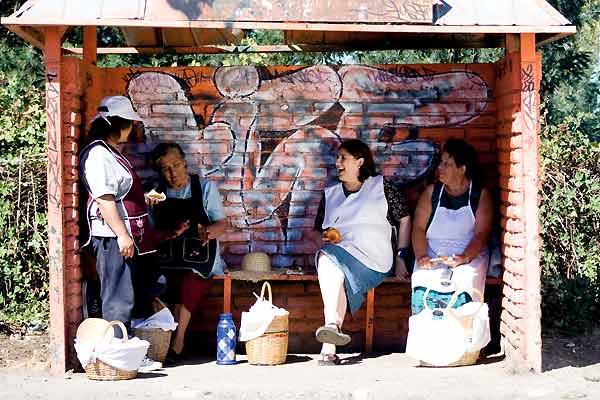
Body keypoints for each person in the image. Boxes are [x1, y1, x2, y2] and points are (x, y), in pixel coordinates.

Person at [78, 96, 185, 371]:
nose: (132, 130)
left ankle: (131, 351)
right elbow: (104, 199)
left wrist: (143, 198)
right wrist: (122, 235)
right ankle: (119, 357)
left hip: (132, 235)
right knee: (118, 298)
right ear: (120, 125)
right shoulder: (98, 154)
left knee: (142, 289)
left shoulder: (112, 151)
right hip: (113, 237)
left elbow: (120, 193)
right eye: (129, 124)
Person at [311, 139, 411, 365]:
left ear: (360, 162)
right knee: (328, 259)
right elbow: (316, 233)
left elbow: (404, 219)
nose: (337, 163)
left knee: (329, 262)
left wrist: (401, 255)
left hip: (375, 259)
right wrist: (327, 237)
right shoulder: (331, 195)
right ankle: (331, 335)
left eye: (343, 158)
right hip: (339, 255)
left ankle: (330, 335)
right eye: (337, 158)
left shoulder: (382, 186)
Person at [149, 142, 229, 364]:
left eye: (176, 165)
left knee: (189, 282)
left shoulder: (204, 188)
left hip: (199, 257)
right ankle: (161, 339)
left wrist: (208, 233)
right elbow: (150, 230)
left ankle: (177, 341)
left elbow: (222, 224)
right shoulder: (156, 193)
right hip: (168, 256)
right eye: (166, 169)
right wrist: (168, 234)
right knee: (159, 283)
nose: (172, 173)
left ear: (184, 162)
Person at [410, 138, 493, 313]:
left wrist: (464, 257)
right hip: (433, 253)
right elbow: (418, 228)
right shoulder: (431, 193)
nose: (440, 168)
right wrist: (421, 255)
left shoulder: (480, 195)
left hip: (469, 254)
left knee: (464, 279)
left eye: (447, 164)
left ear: (462, 169)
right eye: (441, 162)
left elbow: (481, 234)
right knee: (422, 278)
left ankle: (462, 335)